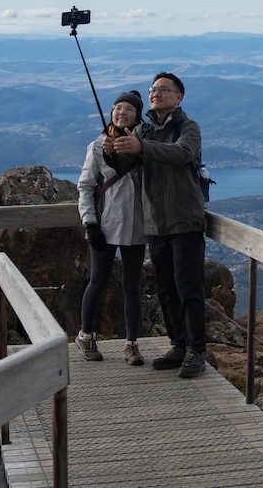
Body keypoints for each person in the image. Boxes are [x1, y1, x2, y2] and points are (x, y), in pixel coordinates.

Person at [105, 72, 208, 378]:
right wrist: (111, 151)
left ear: (179, 97)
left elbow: (182, 153)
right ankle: (178, 345)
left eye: (164, 89)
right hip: (156, 223)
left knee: (189, 288)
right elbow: (126, 167)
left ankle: (196, 351)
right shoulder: (145, 132)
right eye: (153, 89)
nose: (156, 93)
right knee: (166, 288)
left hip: (185, 220)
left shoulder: (187, 127)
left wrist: (140, 146)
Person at [76, 90, 147, 366]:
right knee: (98, 281)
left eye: (128, 109)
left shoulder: (144, 145)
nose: (121, 113)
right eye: (118, 108)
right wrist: (90, 222)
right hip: (104, 225)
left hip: (136, 226)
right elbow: (85, 186)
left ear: (138, 115)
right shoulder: (98, 146)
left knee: (132, 286)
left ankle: (131, 345)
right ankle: (85, 335)